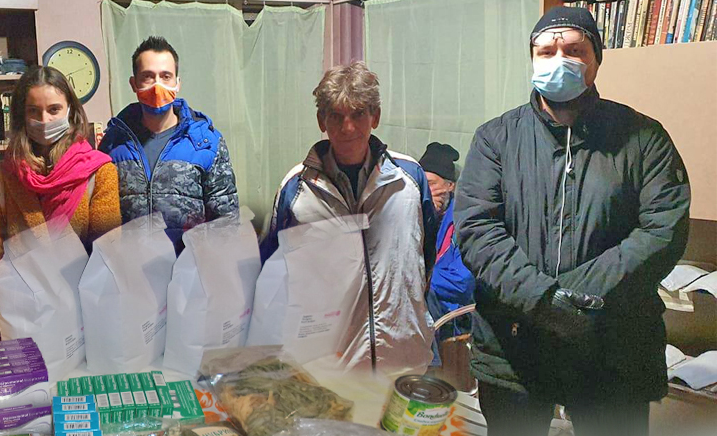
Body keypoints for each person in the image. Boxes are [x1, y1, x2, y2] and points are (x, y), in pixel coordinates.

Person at [454, 7, 691, 436]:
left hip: (612, 347)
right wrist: (542, 299)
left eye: (574, 49)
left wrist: (576, 297)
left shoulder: (643, 138)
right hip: (514, 346)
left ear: (596, 59)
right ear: (532, 60)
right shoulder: (496, 139)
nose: (558, 59)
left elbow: (663, 229)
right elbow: (478, 230)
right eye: (546, 51)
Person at [260, 61, 438, 373]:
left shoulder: (409, 179)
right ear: (321, 120)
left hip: (402, 359)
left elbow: (426, 257)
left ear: (375, 117)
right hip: (326, 367)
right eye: (336, 116)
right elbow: (274, 275)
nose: (348, 128)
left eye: (358, 114)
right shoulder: (297, 189)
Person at [0, 66, 120, 282]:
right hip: (19, 297)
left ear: (70, 111)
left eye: (54, 109)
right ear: (21, 115)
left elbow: (106, 253)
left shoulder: (99, 173)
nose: (44, 120)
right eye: (33, 111)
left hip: (82, 295)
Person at [98, 36, 238, 251]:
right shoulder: (113, 143)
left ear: (177, 83)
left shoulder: (206, 142)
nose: (157, 86)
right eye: (148, 77)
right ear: (134, 84)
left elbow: (225, 223)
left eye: (166, 76)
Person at [420, 142, 474, 343]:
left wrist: (418, 277)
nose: (425, 191)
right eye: (421, 183)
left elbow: (462, 282)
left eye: (431, 184)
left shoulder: (463, 221)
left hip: (451, 317)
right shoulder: (415, 215)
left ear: (450, 186)